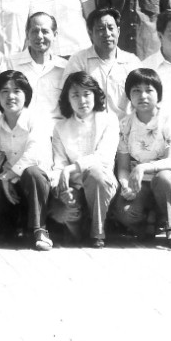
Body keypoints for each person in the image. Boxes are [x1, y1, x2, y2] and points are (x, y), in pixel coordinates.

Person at [110, 67, 171, 247]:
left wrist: (143, 167)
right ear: (129, 95)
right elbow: (123, 167)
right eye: (136, 91)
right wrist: (126, 185)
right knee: (125, 213)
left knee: (164, 178)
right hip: (141, 183)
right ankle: (150, 220)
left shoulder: (169, 119)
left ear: (158, 94)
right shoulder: (125, 124)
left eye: (149, 90)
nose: (142, 96)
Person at [0, 69, 54, 250]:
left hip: (39, 184)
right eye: (4, 91)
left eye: (16, 91)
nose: (10, 96)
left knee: (32, 173)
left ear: (26, 95)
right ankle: (10, 230)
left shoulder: (37, 118)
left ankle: (40, 230)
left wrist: (7, 176)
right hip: (12, 185)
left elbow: (33, 155)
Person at [46, 71, 119, 246]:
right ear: (67, 99)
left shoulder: (108, 120)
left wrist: (71, 169)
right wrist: (60, 190)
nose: (82, 100)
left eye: (87, 94)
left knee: (95, 173)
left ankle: (97, 233)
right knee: (63, 212)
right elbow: (59, 164)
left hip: (101, 184)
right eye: (75, 95)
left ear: (95, 94)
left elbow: (103, 157)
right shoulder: (60, 127)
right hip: (75, 186)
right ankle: (80, 229)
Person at [63, 8, 140, 122]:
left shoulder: (132, 62)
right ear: (90, 34)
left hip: (125, 128)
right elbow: (68, 98)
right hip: (90, 127)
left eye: (111, 28)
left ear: (118, 31)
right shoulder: (78, 61)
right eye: (100, 29)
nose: (107, 34)